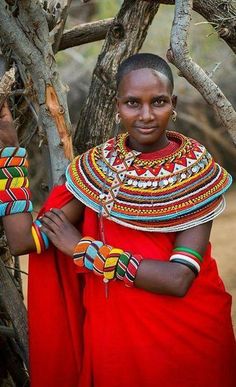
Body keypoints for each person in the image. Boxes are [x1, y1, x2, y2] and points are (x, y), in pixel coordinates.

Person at [0, 53, 236, 387]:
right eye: (132, 103)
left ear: (174, 102)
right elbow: (24, 240)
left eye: (158, 102)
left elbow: (178, 279)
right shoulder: (94, 171)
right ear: (117, 104)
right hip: (115, 343)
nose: (146, 115)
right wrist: (9, 152)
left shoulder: (197, 174)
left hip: (188, 344)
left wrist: (84, 249)